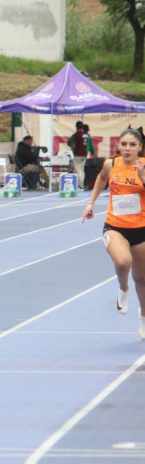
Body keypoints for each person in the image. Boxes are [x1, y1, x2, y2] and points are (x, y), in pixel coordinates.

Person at [83, 128, 145, 340]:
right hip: (115, 226)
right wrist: (90, 203)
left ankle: (143, 320)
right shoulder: (111, 164)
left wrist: (143, 177)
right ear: (118, 146)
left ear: (140, 147)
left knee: (142, 279)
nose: (127, 149)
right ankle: (123, 289)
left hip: (141, 229)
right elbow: (101, 178)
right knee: (122, 263)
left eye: (132, 145)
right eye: (124, 144)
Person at [68, 121, 95, 188]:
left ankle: (80, 185)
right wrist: (93, 152)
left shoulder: (77, 133)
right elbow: (91, 145)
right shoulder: (87, 134)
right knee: (82, 169)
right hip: (85, 154)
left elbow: (71, 143)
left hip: (77, 154)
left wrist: (72, 150)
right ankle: (82, 183)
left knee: (77, 169)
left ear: (76, 127)